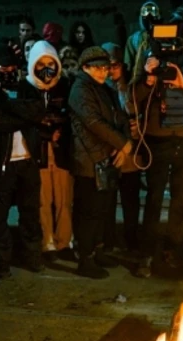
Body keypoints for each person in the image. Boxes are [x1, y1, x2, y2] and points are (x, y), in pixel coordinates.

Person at [131, 6, 183, 278]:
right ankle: (147, 254)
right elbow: (133, 96)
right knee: (154, 200)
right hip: (158, 140)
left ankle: (172, 253)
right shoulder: (150, 55)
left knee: (180, 201)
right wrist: (148, 77)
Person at [0, 43, 47, 278]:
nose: (8, 70)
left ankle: (32, 256)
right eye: (4, 66)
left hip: (27, 160)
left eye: (12, 66)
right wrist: (23, 116)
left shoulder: (25, 85)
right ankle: (0, 262)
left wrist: (7, 107)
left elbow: (37, 110)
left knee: (31, 212)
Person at [69, 47, 132, 279]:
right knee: (88, 212)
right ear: (85, 67)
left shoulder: (105, 89)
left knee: (103, 209)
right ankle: (85, 258)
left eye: (105, 67)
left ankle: (97, 250)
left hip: (107, 159)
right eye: (97, 67)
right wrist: (122, 145)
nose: (102, 71)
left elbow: (120, 117)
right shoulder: (80, 90)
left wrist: (125, 144)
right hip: (89, 161)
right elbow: (93, 123)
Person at [21, 41, 74, 265]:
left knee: (64, 199)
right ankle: (47, 242)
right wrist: (45, 132)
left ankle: (65, 242)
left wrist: (59, 128)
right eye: (40, 64)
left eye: (50, 63)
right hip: (38, 151)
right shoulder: (25, 87)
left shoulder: (64, 85)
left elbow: (70, 115)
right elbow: (24, 118)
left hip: (61, 151)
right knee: (42, 200)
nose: (46, 69)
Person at [102, 42, 142, 254]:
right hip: (110, 152)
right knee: (108, 202)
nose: (111, 70)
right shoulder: (100, 90)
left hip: (130, 156)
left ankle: (131, 238)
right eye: (107, 65)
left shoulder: (132, 90)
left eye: (115, 65)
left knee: (130, 200)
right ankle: (108, 241)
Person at [124, 1, 161, 85]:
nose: (149, 15)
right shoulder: (133, 39)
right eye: (145, 12)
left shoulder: (164, 36)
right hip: (140, 80)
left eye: (153, 11)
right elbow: (128, 65)